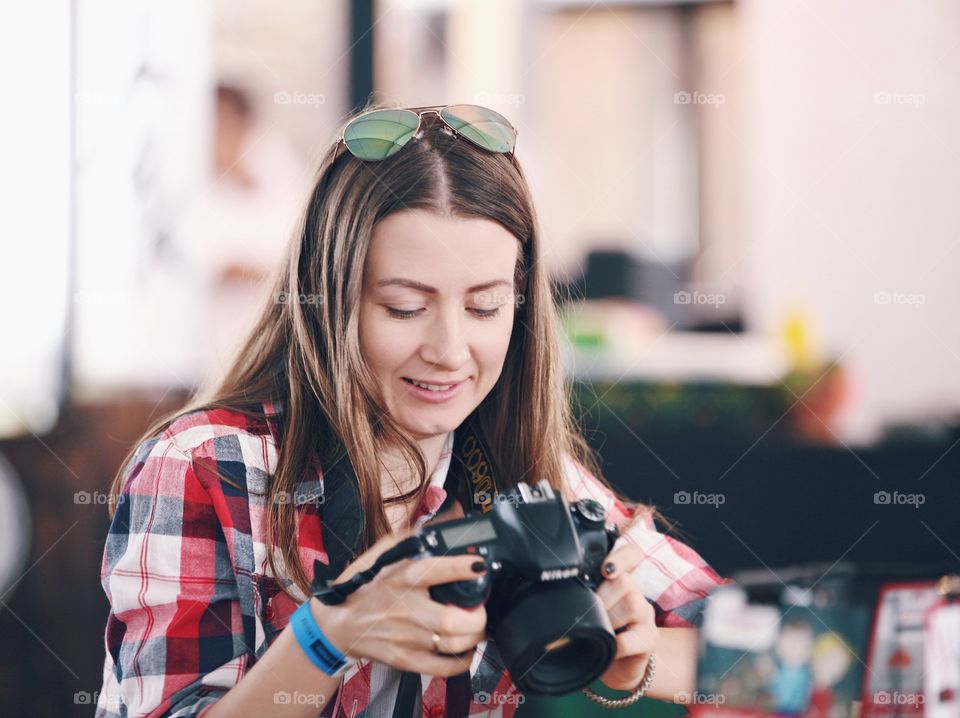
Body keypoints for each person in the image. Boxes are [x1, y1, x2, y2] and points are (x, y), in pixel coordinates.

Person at [94, 103, 727, 718]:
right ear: (329, 300)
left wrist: (632, 653)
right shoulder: (207, 466)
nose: (450, 351)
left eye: (485, 307)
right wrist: (328, 636)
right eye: (404, 307)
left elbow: (763, 650)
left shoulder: (523, 474)